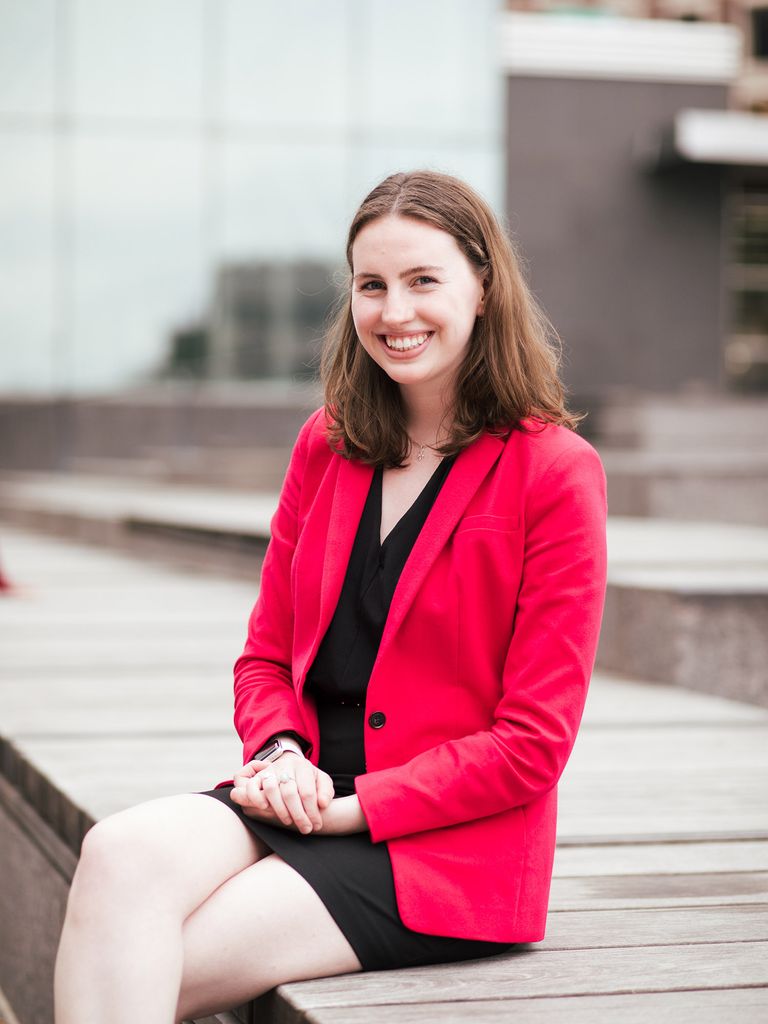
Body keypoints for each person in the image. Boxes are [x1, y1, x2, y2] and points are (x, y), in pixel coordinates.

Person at [54, 170, 607, 1023]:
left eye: (424, 280)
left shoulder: (556, 472)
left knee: (142, 958)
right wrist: (276, 751)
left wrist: (352, 812)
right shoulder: (328, 444)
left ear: (484, 288)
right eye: (372, 285)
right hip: (302, 789)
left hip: (443, 849)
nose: (395, 312)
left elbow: (531, 744)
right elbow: (266, 655)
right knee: (116, 854)